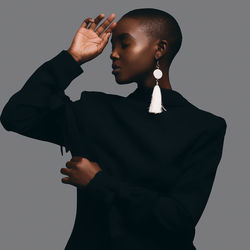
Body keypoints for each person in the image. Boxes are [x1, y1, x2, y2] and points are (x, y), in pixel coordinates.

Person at [0, 8, 227, 250]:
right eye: (112, 46)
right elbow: (17, 115)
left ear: (159, 49)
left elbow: (179, 219)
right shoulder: (93, 111)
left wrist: (100, 182)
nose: (113, 54)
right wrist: (72, 57)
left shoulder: (203, 127)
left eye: (124, 44)